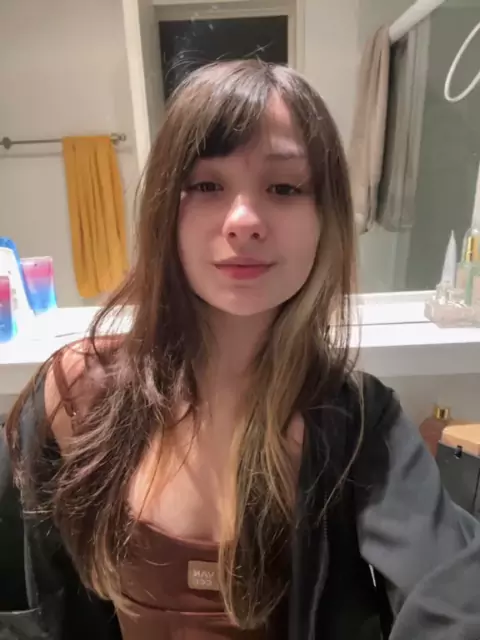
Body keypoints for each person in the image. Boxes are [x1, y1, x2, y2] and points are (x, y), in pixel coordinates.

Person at [1, 59, 480, 640]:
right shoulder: (77, 395)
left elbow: (453, 596)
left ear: (324, 218)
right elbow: (35, 610)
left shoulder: (357, 424)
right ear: (164, 211)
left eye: (284, 188)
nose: (244, 221)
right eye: (207, 185)